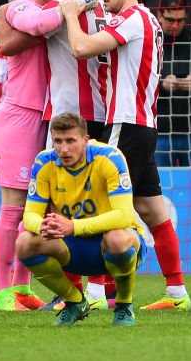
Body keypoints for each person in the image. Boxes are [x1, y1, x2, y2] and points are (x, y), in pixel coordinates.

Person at [60, 0, 190, 311]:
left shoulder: (133, 18)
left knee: (100, 203)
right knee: (152, 211)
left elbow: (81, 48)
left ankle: (99, 294)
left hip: (125, 124)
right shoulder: (143, 18)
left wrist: (72, 13)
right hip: (144, 125)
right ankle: (177, 294)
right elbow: (108, 11)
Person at [0, 0, 68, 312]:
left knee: (37, 208)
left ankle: (22, 287)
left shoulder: (53, 4)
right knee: (13, 208)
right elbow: (39, 25)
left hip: (47, 117)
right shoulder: (18, 9)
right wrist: (77, 0)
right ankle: (4, 292)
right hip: (19, 114)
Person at [15, 113, 147, 327]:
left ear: (85, 140)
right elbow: (29, 215)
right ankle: (74, 302)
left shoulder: (109, 157)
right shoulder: (44, 161)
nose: (63, 149)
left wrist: (73, 226)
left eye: (70, 141)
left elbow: (123, 216)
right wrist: (43, 226)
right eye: (58, 141)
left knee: (117, 238)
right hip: (75, 246)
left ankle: (124, 305)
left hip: (114, 244)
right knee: (25, 243)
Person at [156, 4, 191, 167]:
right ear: (160, 16)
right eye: (170, 20)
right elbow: (137, 82)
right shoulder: (149, 42)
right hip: (160, 129)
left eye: (180, 20)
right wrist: (161, 86)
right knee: (159, 186)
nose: (175, 25)